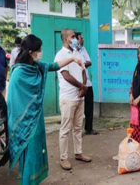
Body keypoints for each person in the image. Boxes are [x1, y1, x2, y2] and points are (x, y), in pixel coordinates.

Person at [7, 34, 83, 185]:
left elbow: (53, 66)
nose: (41, 52)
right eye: (39, 49)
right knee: (29, 154)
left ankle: (34, 181)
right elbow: (13, 102)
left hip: (37, 120)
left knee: (36, 152)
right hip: (25, 125)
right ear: (30, 52)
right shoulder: (18, 73)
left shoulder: (36, 66)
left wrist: (73, 58)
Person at [54, 29, 91, 171]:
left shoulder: (76, 52)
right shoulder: (61, 55)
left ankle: (78, 153)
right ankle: (63, 158)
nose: (75, 38)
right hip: (68, 97)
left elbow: (83, 70)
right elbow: (66, 75)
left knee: (77, 127)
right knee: (65, 129)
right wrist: (82, 86)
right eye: (72, 36)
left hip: (79, 95)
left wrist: (84, 86)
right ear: (65, 39)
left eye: (75, 36)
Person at [75, 33, 98, 135]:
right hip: (78, 83)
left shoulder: (83, 49)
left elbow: (90, 62)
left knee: (89, 106)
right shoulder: (73, 52)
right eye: (81, 38)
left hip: (87, 83)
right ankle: (76, 130)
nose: (83, 40)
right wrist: (83, 65)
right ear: (76, 40)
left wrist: (82, 64)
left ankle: (89, 128)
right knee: (77, 107)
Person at [0, 29, 8, 98]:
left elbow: (5, 66)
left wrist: (5, 78)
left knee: (1, 107)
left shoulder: (2, 51)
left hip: (1, 86)